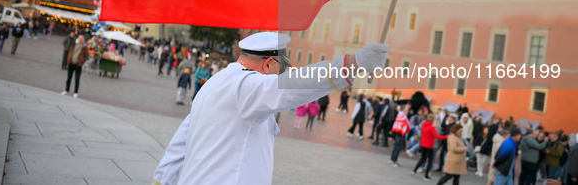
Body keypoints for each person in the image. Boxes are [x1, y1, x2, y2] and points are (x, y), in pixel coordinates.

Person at [152, 32, 389, 184]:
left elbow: (179, 144)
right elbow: (298, 85)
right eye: (280, 69)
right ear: (268, 64)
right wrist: (353, 64)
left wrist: (162, 180)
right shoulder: (246, 85)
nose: (281, 74)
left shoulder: (216, 81)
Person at [411, 113, 447, 180]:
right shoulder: (432, 127)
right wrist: (446, 136)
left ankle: (414, 170)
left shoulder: (424, 125)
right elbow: (436, 136)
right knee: (430, 160)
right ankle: (426, 175)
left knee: (423, 158)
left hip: (423, 144)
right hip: (429, 145)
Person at [390, 103, 411, 167]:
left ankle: (393, 159)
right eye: (407, 109)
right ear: (404, 110)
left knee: (397, 147)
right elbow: (405, 125)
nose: (408, 111)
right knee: (397, 147)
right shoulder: (402, 115)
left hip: (398, 133)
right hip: (400, 133)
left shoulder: (401, 115)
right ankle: (393, 160)